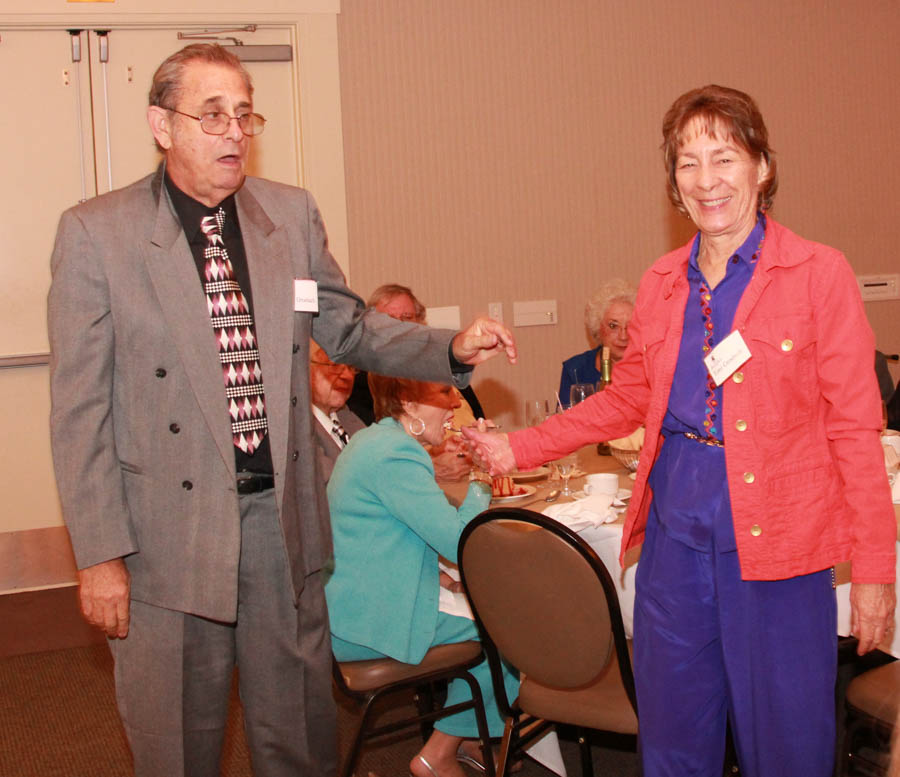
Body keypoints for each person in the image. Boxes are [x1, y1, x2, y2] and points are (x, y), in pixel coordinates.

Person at [47, 43, 516, 777]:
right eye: (212, 115)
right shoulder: (96, 236)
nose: (235, 131)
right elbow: (79, 413)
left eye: (243, 114)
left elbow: (352, 328)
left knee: (297, 742)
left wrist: (448, 347)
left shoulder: (287, 218)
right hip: (164, 539)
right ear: (162, 126)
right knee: (176, 749)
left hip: (281, 530)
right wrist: (100, 557)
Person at [464, 84, 896, 777]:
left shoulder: (819, 275)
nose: (706, 180)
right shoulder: (664, 282)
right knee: (672, 746)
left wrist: (875, 570)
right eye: (687, 164)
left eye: (723, 158)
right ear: (673, 183)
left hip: (781, 552)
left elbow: (856, 429)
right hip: (674, 546)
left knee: (787, 749)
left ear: (762, 167)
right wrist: (519, 445)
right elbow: (625, 398)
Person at [326, 374, 518, 777]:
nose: (454, 404)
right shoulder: (395, 454)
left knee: (494, 607)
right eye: (445, 394)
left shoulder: (376, 441)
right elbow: (460, 542)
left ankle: (467, 737)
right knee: (514, 632)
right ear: (408, 403)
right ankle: (439, 753)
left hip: (353, 605)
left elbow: (391, 534)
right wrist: (483, 478)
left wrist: (444, 580)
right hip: (371, 622)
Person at [347, 283, 485, 481]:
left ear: (421, 324)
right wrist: (431, 460)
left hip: (470, 473)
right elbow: (382, 459)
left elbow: (479, 417)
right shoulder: (362, 383)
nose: (398, 328)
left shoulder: (445, 368)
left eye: (407, 318)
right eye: (388, 320)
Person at [558, 279, 635, 402]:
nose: (623, 336)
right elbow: (565, 416)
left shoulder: (651, 368)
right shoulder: (576, 370)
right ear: (598, 327)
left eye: (630, 326)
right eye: (613, 326)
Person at [309, 340, 365, 483]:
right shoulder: (298, 430)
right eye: (334, 365)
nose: (347, 376)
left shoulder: (351, 420)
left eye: (351, 366)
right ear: (304, 367)